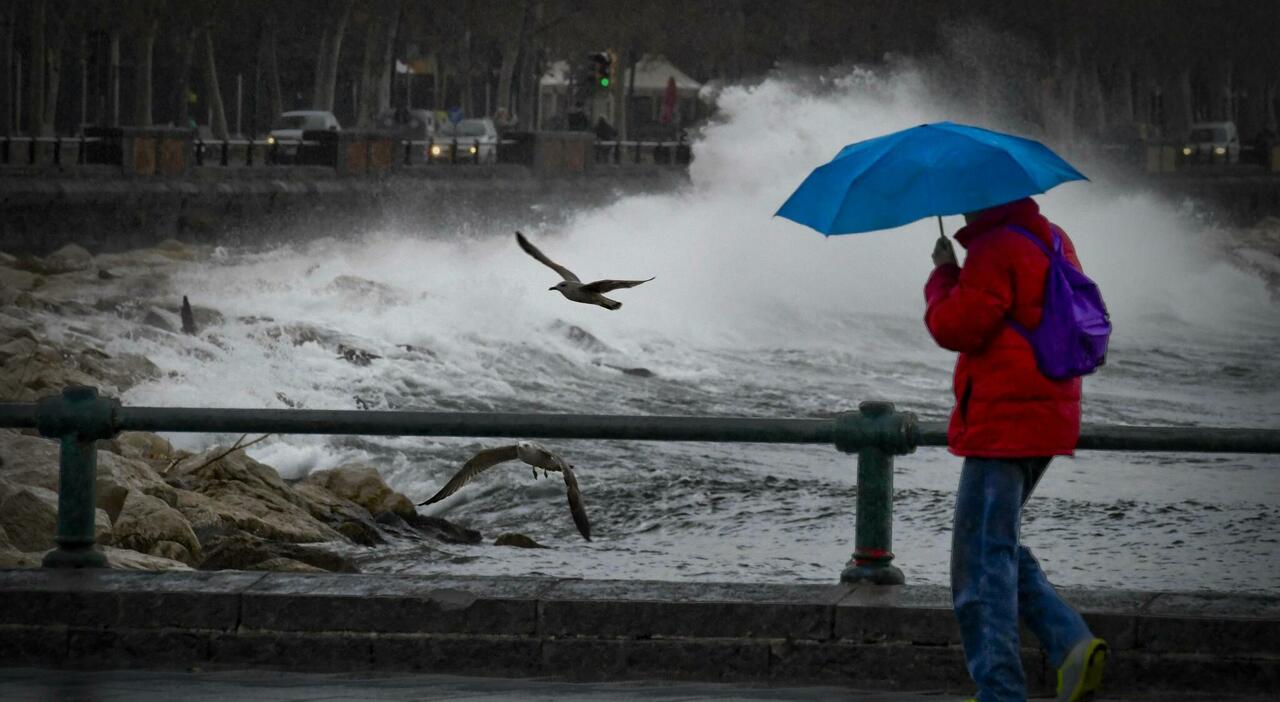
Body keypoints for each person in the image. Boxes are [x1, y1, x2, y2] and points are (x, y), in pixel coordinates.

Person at [923, 197, 1108, 702]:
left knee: (978, 560)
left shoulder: (994, 247)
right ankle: (1070, 644)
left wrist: (943, 277)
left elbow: (956, 327)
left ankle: (1000, 691)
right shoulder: (1052, 235)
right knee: (991, 545)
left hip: (1005, 421)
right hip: (1048, 410)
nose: (958, 210)